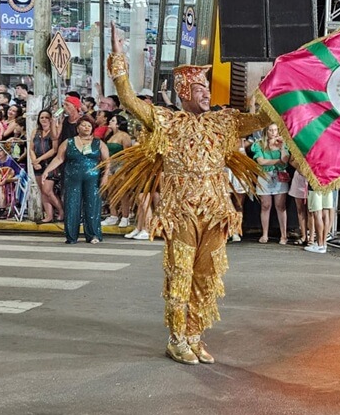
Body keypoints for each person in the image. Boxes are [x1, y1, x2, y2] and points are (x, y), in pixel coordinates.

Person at [103, 22, 270, 365]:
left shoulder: (223, 121)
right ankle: (176, 338)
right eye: (200, 89)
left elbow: (262, 121)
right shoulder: (166, 121)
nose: (207, 94)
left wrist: (277, 89)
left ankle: (194, 335)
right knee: (181, 272)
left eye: (207, 88)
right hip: (180, 210)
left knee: (207, 274)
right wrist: (118, 57)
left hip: (216, 210)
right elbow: (129, 100)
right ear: (183, 93)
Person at [42, 115, 110, 244]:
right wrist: (47, 171)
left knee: (92, 205)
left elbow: (107, 161)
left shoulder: (99, 143)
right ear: (77, 128)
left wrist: (105, 176)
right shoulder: (69, 142)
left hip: (93, 178)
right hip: (72, 178)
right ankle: (71, 236)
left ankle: (93, 234)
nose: (86, 127)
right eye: (84, 125)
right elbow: (59, 158)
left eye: (89, 126)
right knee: (72, 204)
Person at [253, 124, 291, 245]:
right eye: (271, 130)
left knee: (280, 205)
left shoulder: (282, 143)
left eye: (275, 130)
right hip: (265, 176)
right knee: (265, 205)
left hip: (279, 175)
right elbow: (261, 161)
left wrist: (281, 148)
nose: (273, 132)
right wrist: (277, 161)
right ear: (266, 131)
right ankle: (265, 234)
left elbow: (285, 160)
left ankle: (283, 235)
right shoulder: (259, 144)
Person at [29, 109, 63, 223]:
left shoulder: (54, 132)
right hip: (38, 164)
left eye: (46, 117)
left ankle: (61, 210)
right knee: (42, 191)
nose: (44, 120)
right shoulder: (36, 132)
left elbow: (54, 149)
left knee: (48, 190)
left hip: (49, 163)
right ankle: (48, 215)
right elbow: (31, 149)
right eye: (42, 117)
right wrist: (34, 161)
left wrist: (40, 159)